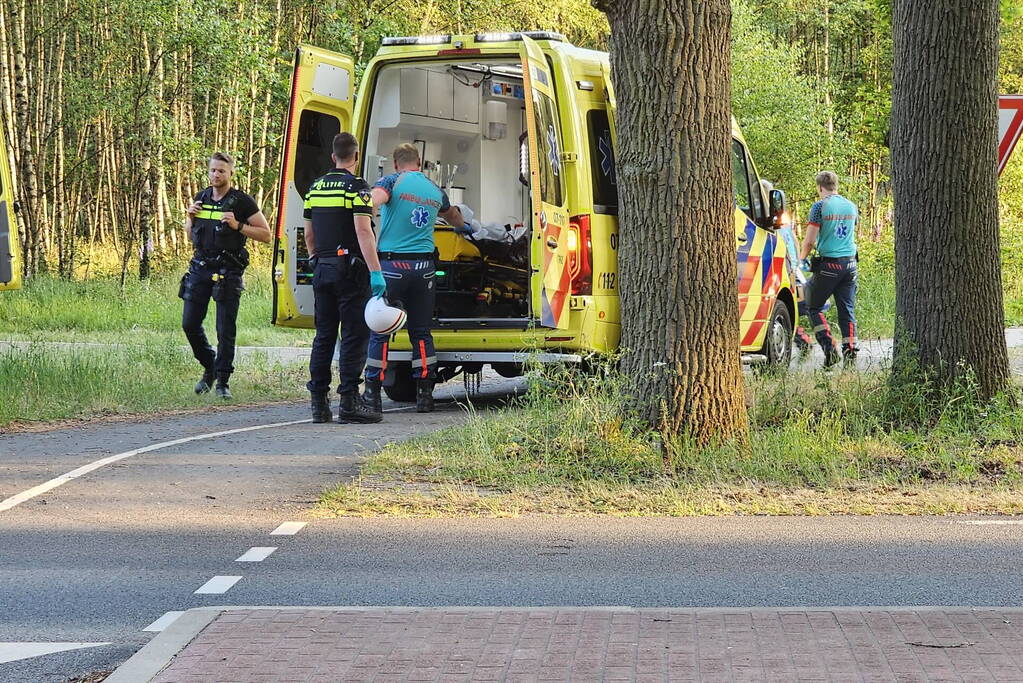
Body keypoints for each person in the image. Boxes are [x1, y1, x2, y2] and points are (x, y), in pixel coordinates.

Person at [365, 143, 465, 413]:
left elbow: (373, 199)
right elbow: (454, 216)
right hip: (424, 269)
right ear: (419, 162)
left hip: (392, 266)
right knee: (421, 332)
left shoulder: (391, 181)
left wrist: (368, 219)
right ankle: (425, 394)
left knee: (381, 331)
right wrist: (464, 226)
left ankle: (372, 393)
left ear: (396, 163)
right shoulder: (434, 190)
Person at [304, 133, 387, 424]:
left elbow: (309, 233)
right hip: (351, 272)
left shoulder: (315, 188)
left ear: (333, 157)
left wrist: (316, 259)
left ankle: (319, 403)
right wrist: (376, 271)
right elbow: (364, 232)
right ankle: (350, 401)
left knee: (324, 336)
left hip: (322, 269)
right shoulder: (357, 188)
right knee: (353, 336)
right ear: (356, 156)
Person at [181, 152, 271, 399]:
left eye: (221, 171)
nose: (216, 175)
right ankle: (209, 365)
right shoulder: (201, 198)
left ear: (231, 173)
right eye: (212, 170)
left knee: (225, 329)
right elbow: (191, 235)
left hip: (227, 270)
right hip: (200, 267)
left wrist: (238, 226)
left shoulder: (241, 202)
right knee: (189, 323)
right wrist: (189, 219)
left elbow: (266, 235)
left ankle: (222, 381)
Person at [798, 170, 858, 368]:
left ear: (820, 187)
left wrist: (801, 259)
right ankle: (850, 352)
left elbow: (810, 240)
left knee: (811, 304)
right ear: (836, 185)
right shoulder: (851, 206)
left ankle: (829, 347)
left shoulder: (819, 207)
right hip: (850, 264)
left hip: (829, 265)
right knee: (846, 309)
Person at [761, 179, 814, 354]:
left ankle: (802, 339)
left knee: (783, 303)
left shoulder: (766, 215)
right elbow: (793, 239)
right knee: (787, 302)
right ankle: (802, 339)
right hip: (789, 263)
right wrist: (797, 260)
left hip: (781, 264)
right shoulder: (782, 215)